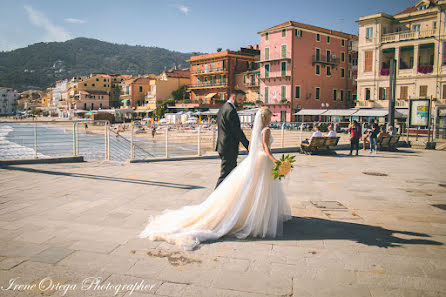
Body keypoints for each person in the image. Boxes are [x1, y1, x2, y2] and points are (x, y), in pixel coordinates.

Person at [138, 107, 292, 250]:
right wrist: (275, 160)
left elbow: (252, 147)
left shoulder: (255, 130)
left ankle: (254, 216)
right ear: (266, 118)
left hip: (255, 161)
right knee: (261, 191)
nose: (272, 119)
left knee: (252, 190)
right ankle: (260, 218)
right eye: (271, 116)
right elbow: (266, 148)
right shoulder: (266, 130)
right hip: (263, 160)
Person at [215, 90, 250, 189]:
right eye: (239, 99)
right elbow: (237, 131)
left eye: (242, 100)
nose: (241, 102)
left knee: (231, 176)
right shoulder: (231, 110)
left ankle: (226, 199)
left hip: (223, 146)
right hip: (229, 148)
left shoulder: (223, 108)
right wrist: (248, 145)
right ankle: (214, 199)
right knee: (225, 176)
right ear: (233, 97)